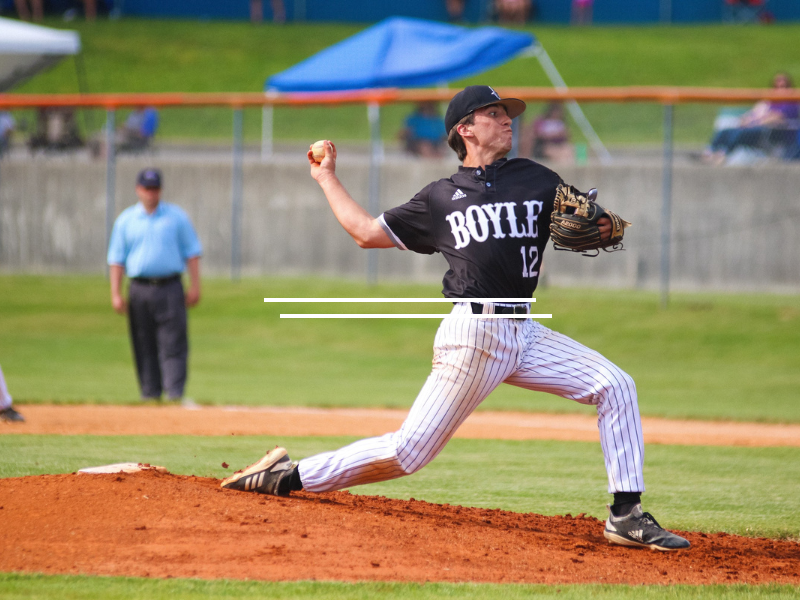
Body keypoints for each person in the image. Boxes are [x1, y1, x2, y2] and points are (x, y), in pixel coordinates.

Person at [221, 85, 690, 552]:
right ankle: (287, 477)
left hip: (524, 331)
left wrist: (604, 226)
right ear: (465, 129)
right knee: (408, 453)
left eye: (507, 113)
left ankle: (625, 515)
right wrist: (326, 178)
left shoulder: (536, 177)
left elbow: (585, 222)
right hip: (474, 334)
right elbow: (366, 233)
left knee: (616, 385)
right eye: (494, 113)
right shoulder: (440, 198)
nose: (507, 119)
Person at [107, 168, 203, 407]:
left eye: (155, 188)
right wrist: (116, 293)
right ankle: (149, 394)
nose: (151, 193)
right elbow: (116, 259)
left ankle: (174, 393)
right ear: (138, 189)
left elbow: (192, 252)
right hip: (139, 287)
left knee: (173, 342)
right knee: (143, 341)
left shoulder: (176, 217)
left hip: (170, 286)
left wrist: (195, 286)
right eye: (147, 188)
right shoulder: (126, 220)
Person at [702, 72, 799, 165]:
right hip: (756, 127)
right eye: (776, 87)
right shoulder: (769, 102)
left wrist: (756, 121)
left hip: (772, 132)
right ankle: (710, 152)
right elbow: (752, 113)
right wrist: (746, 119)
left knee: (741, 133)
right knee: (726, 131)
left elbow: (777, 117)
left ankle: (724, 154)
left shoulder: (790, 103)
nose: (779, 90)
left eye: (783, 87)